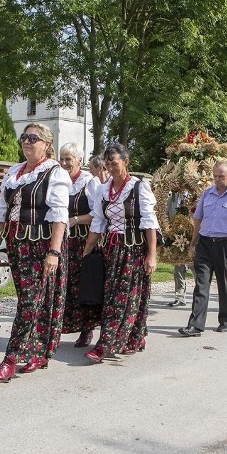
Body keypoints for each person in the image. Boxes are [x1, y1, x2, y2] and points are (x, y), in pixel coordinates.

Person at [0, 123, 72, 381]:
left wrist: (54, 252)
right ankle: (36, 351)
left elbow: (59, 215)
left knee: (33, 300)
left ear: (46, 144)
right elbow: (2, 214)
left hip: (42, 244)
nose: (27, 141)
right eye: (24, 137)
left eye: (33, 138)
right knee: (30, 299)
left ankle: (10, 358)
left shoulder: (54, 173)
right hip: (17, 245)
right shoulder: (14, 173)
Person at [82, 143, 159, 361]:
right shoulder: (104, 190)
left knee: (126, 296)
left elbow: (149, 223)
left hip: (134, 250)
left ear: (126, 162)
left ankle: (106, 344)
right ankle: (135, 337)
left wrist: (151, 255)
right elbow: (98, 222)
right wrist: (87, 251)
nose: (110, 167)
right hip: (112, 250)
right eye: (107, 163)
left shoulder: (138, 187)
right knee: (113, 296)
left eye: (114, 163)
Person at [178, 160, 227, 336]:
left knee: (224, 283)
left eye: (221, 176)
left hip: (226, 244)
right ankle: (196, 325)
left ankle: (226, 319)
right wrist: (193, 242)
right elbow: (198, 219)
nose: (217, 180)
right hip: (205, 244)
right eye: (215, 176)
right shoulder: (208, 193)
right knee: (201, 284)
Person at [58, 142, 101, 347]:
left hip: (83, 240)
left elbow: (98, 214)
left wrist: (75, 220)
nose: (65, 163)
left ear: (79, 161)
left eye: (69, 159)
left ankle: (87, 329)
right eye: (62, 158)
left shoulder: (89, 182)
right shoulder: (58, 180)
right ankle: (57, 327)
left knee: (84, 285)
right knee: (63, 284)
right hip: (63, 240)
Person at [167, 191, 192, 307]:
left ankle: (201, 297)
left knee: (196, 268)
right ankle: (180, 297)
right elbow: (167, 216)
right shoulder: (172, 198)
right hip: (176, 237)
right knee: (178, 268)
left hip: (192, 237)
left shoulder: (195, 195)